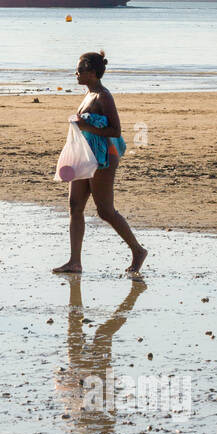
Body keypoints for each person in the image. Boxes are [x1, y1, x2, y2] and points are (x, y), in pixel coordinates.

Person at [52, 51, 147, 277]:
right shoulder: (88, 94)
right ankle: (75, 262)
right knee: (75, 205)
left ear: (93, 73)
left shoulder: (103, 96)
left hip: (103, 157)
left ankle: (138, 250)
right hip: (84, 155)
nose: (76, 73)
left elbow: (115, 130)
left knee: (105, 210)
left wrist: (85, 127)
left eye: (80, 70)